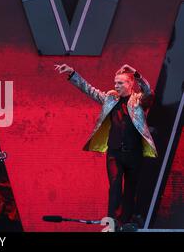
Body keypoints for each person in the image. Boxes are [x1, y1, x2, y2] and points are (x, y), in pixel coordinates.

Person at [54, 64, 157, 226]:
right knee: (115, 186)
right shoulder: (110, 98)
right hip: (114, 153)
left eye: (120, 83)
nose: (116, 86)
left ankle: (127, 222)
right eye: (115, 83)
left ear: (130, 84)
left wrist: (136, 73)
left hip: (134, 153)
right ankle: (112, 222)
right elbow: (89, 90)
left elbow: (149, 91)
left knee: (130, 189)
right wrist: (73, 73)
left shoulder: (139, 100)